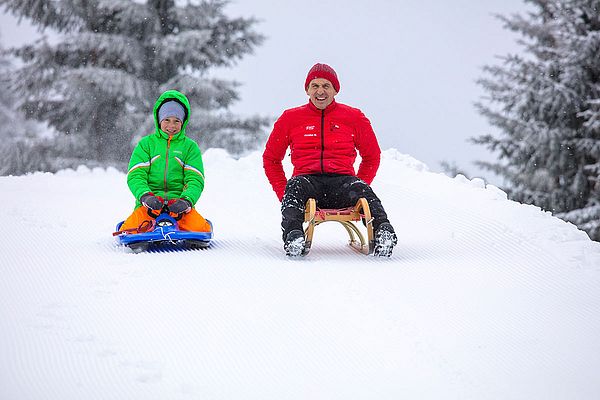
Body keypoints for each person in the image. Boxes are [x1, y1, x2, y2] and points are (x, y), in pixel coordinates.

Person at [262, 63, 397, 257]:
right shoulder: (291, 118)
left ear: (335, 90)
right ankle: (294, 236)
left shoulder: (354, 117)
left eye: (326, 86)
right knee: (295, 186)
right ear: (307, 90)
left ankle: (383, 231)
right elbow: (271, 159)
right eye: (315, 86)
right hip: (307, 182)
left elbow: (372, 156)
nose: (320, 91)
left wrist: (359, 191)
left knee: (362, 189)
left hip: (342, 181)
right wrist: (285, 196)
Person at [119, 89, 211, 233]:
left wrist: (186, 200)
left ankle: (194, 226)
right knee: (130, 230)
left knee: (200, 229)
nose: (171, 126)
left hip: (179, 207)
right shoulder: (146, 144)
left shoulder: (190, 147)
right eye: (167, 120)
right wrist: (145, 196)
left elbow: (195, 179)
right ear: (159, 120)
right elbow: (136, 175)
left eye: (176, 121)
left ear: (183, 122)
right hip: (150, 206)